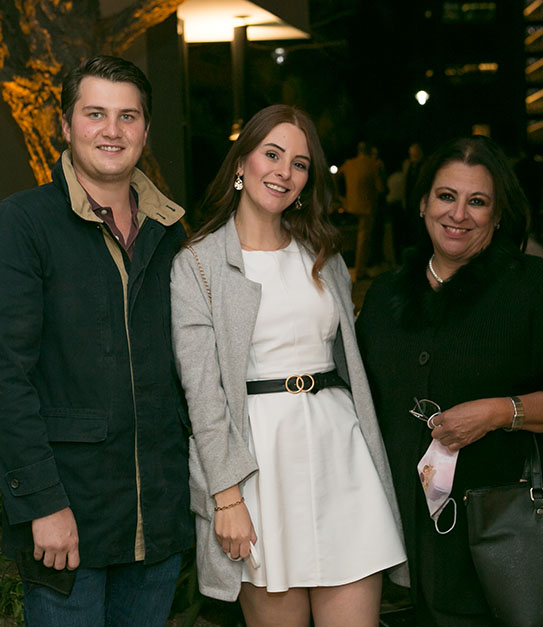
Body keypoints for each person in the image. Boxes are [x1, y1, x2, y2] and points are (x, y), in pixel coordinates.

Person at [0, 55, 193, 626]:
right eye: (95, 114)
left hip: (160, 518)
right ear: (65, 126)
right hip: (68, 518)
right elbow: (2, 380)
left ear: (146, 129)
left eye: (128, 116)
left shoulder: (171, 233)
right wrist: (41, 503)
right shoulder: (22, 225)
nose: (112, 131)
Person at [171, 105, 407, 626]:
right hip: (259, 470)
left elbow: (354, 365)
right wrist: (226, 498)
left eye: (299, 164)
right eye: (271, 154)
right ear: (241, 164)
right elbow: (203, 394)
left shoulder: (322, 253)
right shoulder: (198, 264)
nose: (283, 171)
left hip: (340, 454)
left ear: (307, 181)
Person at [356, 135, 543, 625]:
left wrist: (497, 412)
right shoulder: (384, 295)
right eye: (447, 196)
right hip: (399, 544)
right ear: (423, 202)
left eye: (478, 201)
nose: (459, 214)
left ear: (497, 213)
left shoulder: (530, 285)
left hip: (500, 541)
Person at [337, 141, 384, 280]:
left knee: (352, 237)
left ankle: (353, 268)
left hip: (351, 205)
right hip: (367, 206)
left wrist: (341, 197)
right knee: (363, 238)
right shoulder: (372, 164)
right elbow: (380, 187)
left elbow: (335, 177)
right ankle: (360, 270)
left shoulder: (349, 163)